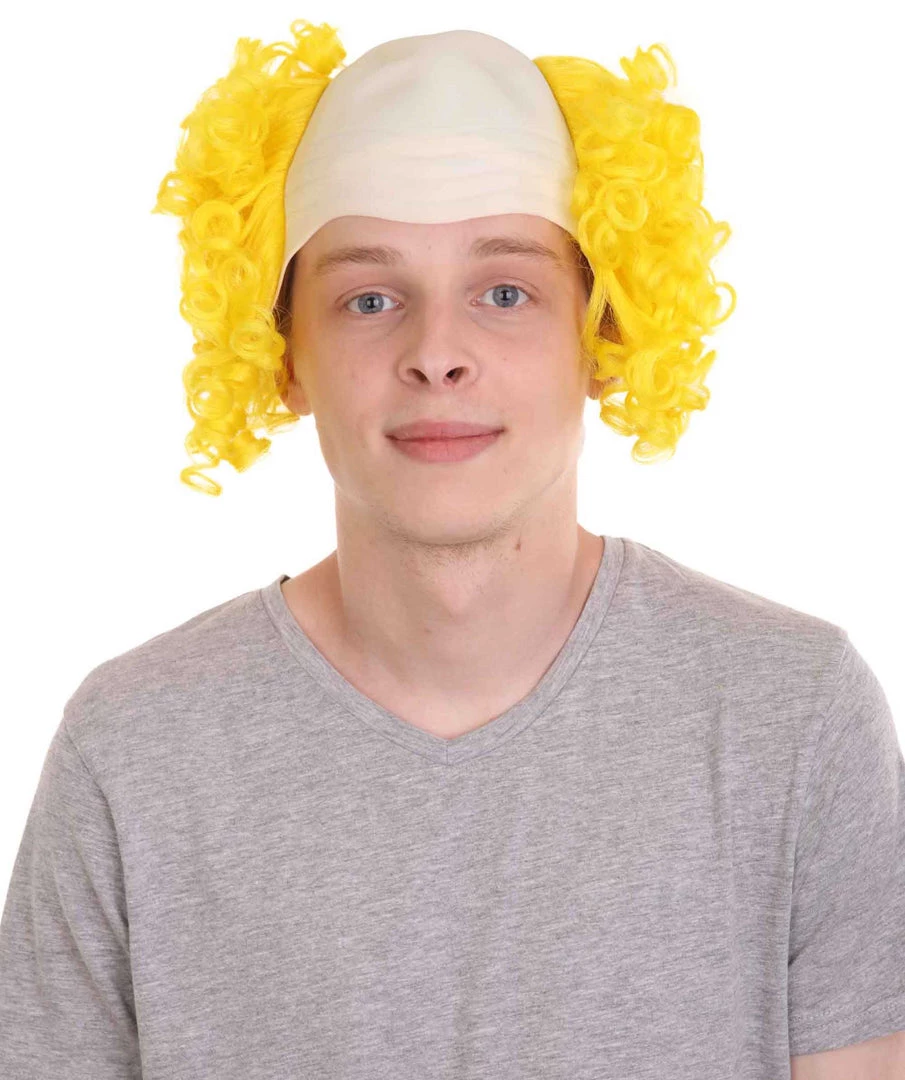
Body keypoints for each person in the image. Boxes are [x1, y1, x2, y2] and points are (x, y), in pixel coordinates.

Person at [1, 20, 903, 1080]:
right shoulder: (132, 750)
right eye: (369, 298)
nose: (436, 354)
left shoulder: (790, 716)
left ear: (603, 336)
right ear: (283, 354)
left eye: (504, 292)